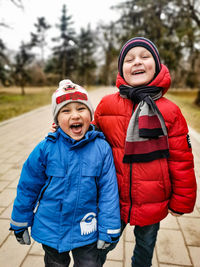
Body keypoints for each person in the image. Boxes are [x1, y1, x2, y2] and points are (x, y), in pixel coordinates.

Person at [93, 37, 197, 267]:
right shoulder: (106, 106)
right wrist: (67, 133)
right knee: (100, 248)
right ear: (122, 69)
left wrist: (182, 201)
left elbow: (181, 159)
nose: (137, 62)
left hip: (154, 198)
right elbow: (91, 139)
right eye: (129, 59)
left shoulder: (171, 111)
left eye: (144, 56)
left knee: (145, 246)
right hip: (113, 198)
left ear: (157, 65)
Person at [10, 79, 121, 267]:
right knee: (54, 264)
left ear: (90, 114)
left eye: (81, 108)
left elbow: (109, 192)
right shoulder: (46, 148)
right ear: (56, 119)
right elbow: (28, 186)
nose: (75, 116)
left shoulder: (102, 149)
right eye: (66, 111)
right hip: (52, 227)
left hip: (86, 229)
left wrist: (109, 227)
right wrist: (20, 221)